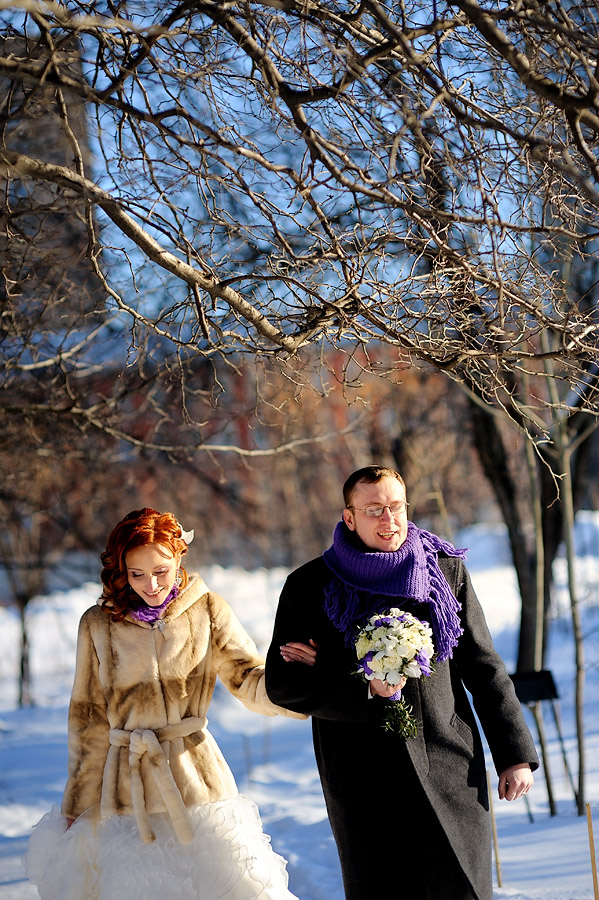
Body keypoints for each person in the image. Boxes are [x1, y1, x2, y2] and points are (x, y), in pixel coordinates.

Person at [265, 465, 539, 900]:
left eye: (396, 507)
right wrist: (361, 686)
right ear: (349, 517)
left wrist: (514, 754)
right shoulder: (310, 585)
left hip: (450, 767)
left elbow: (483, 666)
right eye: (374, 509)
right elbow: (282, 685)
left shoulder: (443, 573)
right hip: (361, 780)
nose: (389, 519)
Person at [25, 508, 305, 900]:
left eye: (160, 570)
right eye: (136, 574)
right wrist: (78, 798)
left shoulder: (208, 610)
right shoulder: (98, 623)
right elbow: (88, 719)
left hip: (196, 781)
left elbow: (247, 677)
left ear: (178, 558)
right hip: (125, 791)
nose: (151, 584)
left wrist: (301, 685)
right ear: (121, 570)